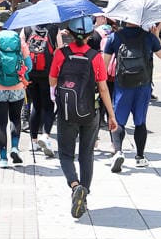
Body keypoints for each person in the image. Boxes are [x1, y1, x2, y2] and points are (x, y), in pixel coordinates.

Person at [50, 16, 116, 217]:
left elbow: (52, 81)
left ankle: (74, 185)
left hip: (67, 112)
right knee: (87, 155)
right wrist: (111, 117)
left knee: (66, 154)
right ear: (90, 35)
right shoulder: (96, 56)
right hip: (91, 111)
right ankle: (84, 194)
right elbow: (103, 89)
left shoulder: (61, 54)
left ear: (69, 33)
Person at [103, 21, 161, 171]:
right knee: (140, 122)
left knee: (118, 121)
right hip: (143, 86)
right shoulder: (149, 37)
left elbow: (103, 65)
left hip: (122, 86)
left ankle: (118, 152)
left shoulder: (114, 37)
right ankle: (139, 157)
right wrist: (156, 36)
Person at [0, 27, 32, 168]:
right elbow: (29, 66)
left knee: (0, 123)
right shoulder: (20, 43)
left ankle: (2, 158)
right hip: (17, 87)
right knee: (15, 119)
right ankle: (14, 147)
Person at [22, 22, 58, 158]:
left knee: (35, 106)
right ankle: (46, 136)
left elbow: (22, 49)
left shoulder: (27, 28)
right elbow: (59, 50)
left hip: (31, 73)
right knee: (49, 106)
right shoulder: (54, 28)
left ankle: (33, 141)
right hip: (48, 74)